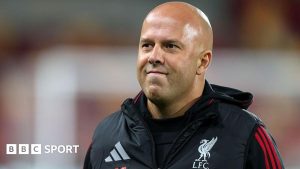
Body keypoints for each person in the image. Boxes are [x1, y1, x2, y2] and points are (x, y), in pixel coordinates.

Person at [84, 2, 285, 169]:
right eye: (147, 45)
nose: (154, 56)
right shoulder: (106, 136)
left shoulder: (245, 134)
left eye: (170, 46)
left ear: (203, 61)